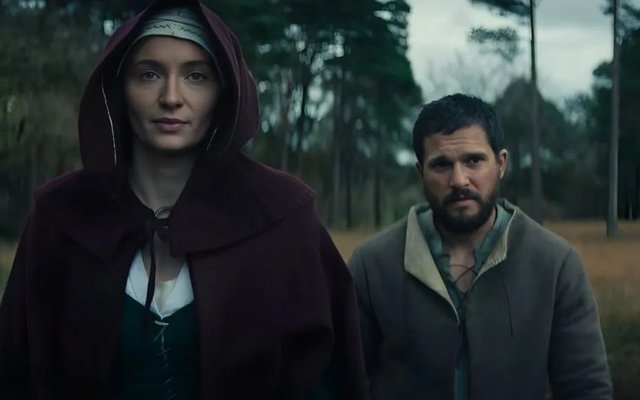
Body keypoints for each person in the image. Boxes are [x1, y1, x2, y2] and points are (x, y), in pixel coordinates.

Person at [0, 1, 368, 398]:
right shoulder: (61, 218)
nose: (171, 97)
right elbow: (17, 372)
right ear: (119, 88)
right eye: (149, 74)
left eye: (196, 76)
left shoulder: (282, 218)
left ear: (223, 91)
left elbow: (328, 378)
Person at [348, 94, 612, 399]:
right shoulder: (373, 265)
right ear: (421, 173)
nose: (459, 180)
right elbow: (345, 381)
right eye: (442, 165)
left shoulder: (555, 264)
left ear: (500, 164)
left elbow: (586, 388)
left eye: (473, 160)